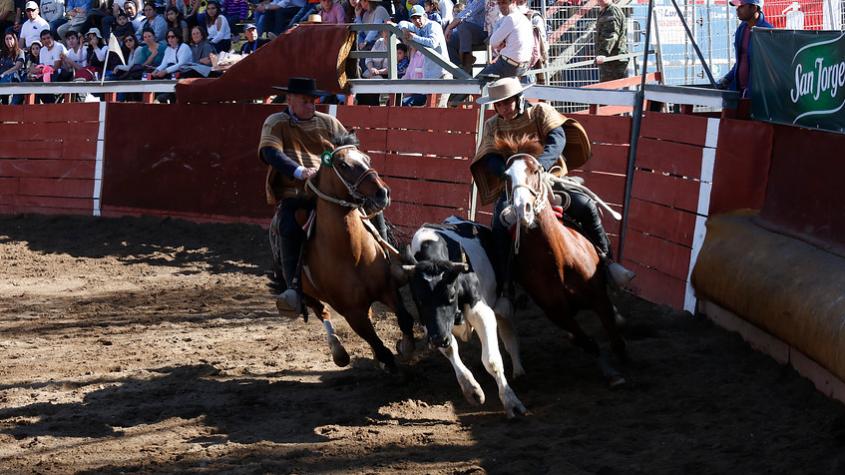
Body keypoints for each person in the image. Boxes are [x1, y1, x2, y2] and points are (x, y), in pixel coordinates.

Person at [469, 77, 634, 316]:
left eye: (507, 102)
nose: (503, 108)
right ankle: (507, 287)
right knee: (498, 227)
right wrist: (510, 173)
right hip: (516, 186)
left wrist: (540, 167)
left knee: (585, 206)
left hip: (548, 178)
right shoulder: (492, 125)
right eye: (499, 104)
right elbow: (489, 156)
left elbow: (558, 139)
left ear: (518, 99)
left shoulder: (540, 112)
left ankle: (607, 264)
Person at [257, 77, 349, 311]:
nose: (311, 105)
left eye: (312, 101)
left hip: (331, 192)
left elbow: (348, 149)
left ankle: (388, 262)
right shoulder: (276, 122)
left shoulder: (329, 123)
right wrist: (299, 171)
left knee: (370, 206)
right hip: (296, 192)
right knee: (288, 225)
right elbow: (270, 152)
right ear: (289, 100)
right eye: (305, 101)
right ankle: (293, 289)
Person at [717, 0, 772, 98]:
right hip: (739, 93)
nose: (737, 9)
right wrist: (727, 79)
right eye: (737, 6)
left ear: (754, 8)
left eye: (741, 6)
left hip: (758, 97)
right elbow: (741, 59)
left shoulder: (768, 33)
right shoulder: (741, 28)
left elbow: (768, 70)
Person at [479, 0, 531, 79]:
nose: (501, 6)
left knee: (477, 82)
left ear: (513, 2)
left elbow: (493, 42)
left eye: (504, 3)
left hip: (508, 65)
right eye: (499, 3)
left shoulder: (511, 18)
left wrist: (503, 41)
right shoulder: (524, 19)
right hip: (522, 66)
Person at [444, 0, 486, 74]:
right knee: (450, 39)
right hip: (469, 33)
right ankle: (457, 70)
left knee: (463, 25)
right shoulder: (469, 1)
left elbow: (466, 13)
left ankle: (466, 61)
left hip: (485, 32)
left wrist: (449, 27)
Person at [594, 0, 627, 82]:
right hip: (611, 59)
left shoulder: (611, 11)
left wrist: (603, 53)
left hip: (614, 60)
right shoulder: (605, 10)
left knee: (611, 90)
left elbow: (611, 34)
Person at [0, 31, 25, 105]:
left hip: (14, 77)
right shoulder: (2, 53)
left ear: (14, 39)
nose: (8, 41)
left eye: (10, 38)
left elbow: (17, 66)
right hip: (2, 77)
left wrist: (4, 73)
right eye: (6, 39)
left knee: (6, 78)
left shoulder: (20, 52)